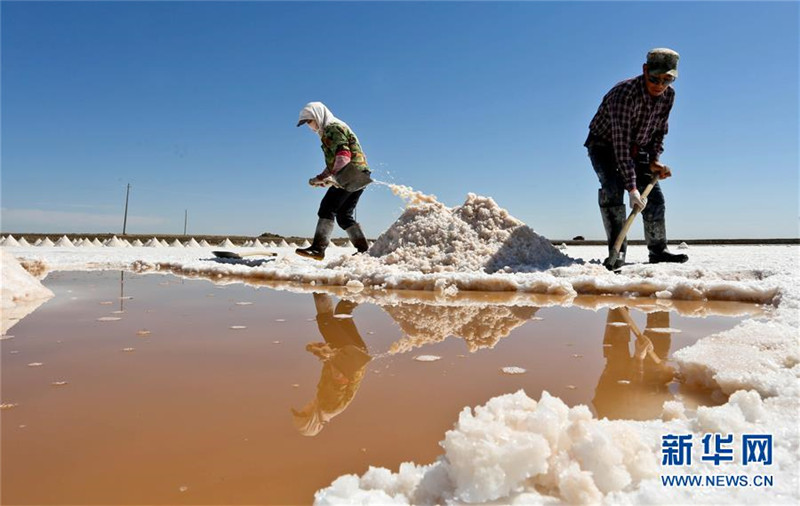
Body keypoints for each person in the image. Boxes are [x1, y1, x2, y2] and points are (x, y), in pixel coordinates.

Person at [585, 48, 689, 270]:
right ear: (645, 70)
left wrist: (654, 159)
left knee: (655, 198)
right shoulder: (624, 94)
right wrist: (632, 189)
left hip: (636, 147)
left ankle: (658, 250)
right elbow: (619, 145)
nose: (660, 85)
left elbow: (660, 130)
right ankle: (617, 252)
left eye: (667, 80)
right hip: (605, 145)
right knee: (613, 190)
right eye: (654, 78)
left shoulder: (668, 96)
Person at [295, 102, 371, 260]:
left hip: (350, 171)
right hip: (360, 172)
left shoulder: (332, 128)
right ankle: (364, 251)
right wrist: (321, 177)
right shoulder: (327, 131)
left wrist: (334, 176)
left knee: (327, 207)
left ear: (317, 116)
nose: (309, 126)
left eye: (309, 121)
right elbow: (334, 161)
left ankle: (318, 248)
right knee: (344, 215)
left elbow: (343, 155)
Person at [291, 293, 371, 436]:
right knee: (325, 321)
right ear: (311, 421)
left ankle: (368, 289)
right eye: (303, 413)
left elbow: (334, 371)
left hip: (357, 356)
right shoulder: (327, 405)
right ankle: (320, 284)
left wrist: (321, 350)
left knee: (343, 312)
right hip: (349, 357)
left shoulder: (327, 408)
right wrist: (328, 353)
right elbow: (341, 378)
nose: (304, 408)